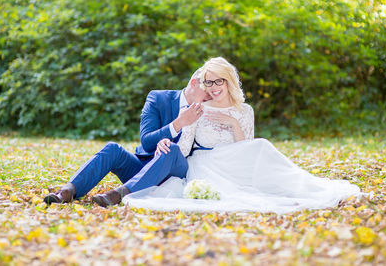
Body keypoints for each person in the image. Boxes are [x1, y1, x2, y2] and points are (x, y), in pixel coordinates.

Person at [122, 57, 361, 213]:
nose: (214, 87)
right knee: (260, 151)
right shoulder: (199, 109)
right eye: (209, 82)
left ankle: (303, 187)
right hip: (208, 164)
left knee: (262, 146)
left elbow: (246, 147)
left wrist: (232, 122)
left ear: (229, 82)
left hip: (239, 161)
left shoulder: (245, 111)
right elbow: (184, 149)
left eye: (219, 81)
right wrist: (168, 144)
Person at [43, 69, 211, 207]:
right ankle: (67, 191)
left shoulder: (210, 111)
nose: (210, 97)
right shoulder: (158, 98)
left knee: (171, 149)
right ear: (194, 83)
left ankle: (118, 195)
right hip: (142, 168)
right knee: (112, 149)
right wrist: (178, 123)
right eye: (207, 91)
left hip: (174, 173)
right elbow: (146, 141)